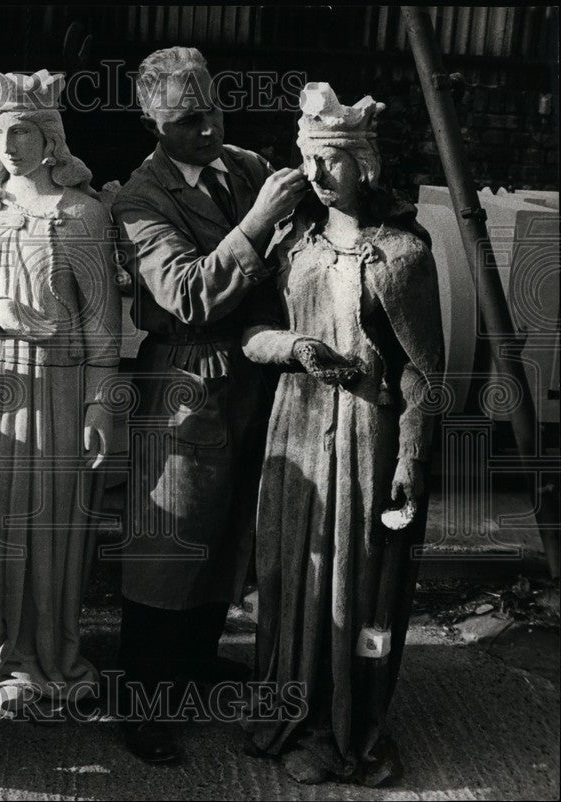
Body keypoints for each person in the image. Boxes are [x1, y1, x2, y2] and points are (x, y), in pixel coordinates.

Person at [241, 83, 445, 786]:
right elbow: (249, 332)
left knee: (362, 589)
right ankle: (291, 713)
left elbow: (424, 375)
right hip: (294, 431)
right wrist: (291, 348)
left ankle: (352, 728)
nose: (318, 175)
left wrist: (412, 458)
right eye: (308, 160)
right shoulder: (292, 244)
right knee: (290, 575)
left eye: (332, 161)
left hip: (367, 437)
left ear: (366, 163)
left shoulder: (404, 256)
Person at [110, 46, 308, 764]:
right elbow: (186, 294)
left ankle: (192, 666)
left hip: (253, 376)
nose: (206, 128)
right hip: (186, 385)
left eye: (213, 112)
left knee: (227, 537)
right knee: (170, 543)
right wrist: (256, 223)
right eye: (188, 119)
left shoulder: (245, 166)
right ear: (153, 123)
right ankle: (142, 702)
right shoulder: (139, 199)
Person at [0, 68, 121, 715]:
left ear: (49, 136)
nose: (9, 143)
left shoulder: (82, 215)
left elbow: (101, 324)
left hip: (57, 389)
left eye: (22, 130)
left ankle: (41, 652)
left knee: (47, 523)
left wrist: (99, 404)